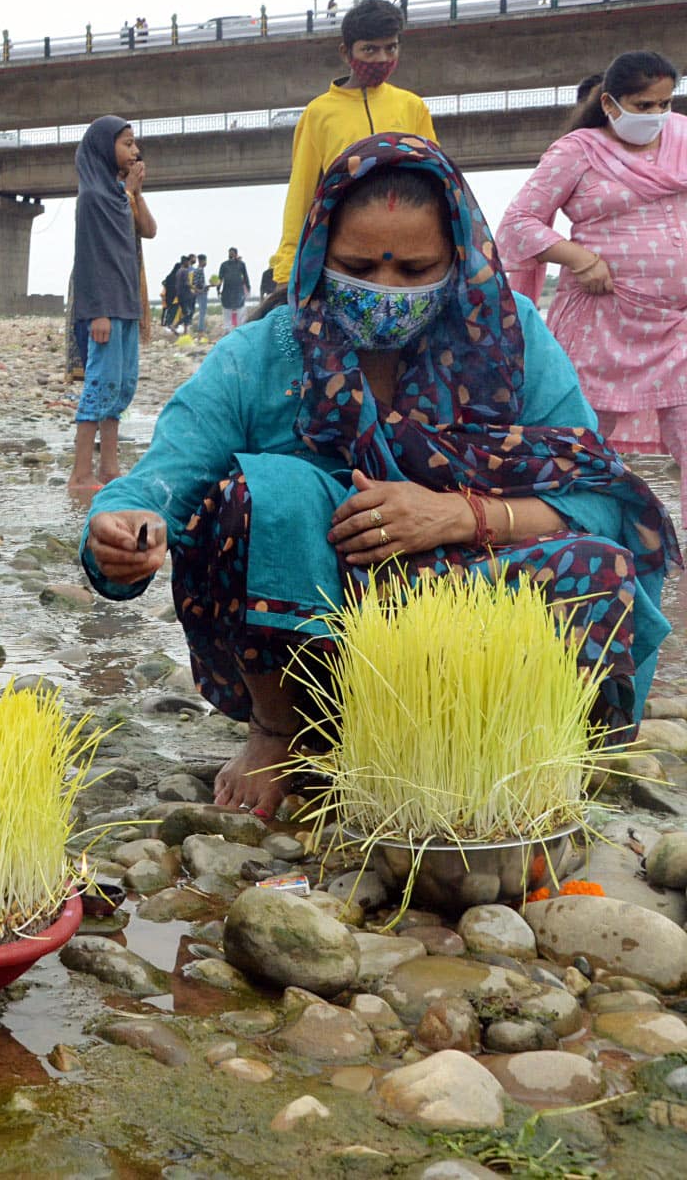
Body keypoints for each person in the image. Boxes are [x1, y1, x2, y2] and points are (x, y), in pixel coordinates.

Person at [83, 133, 678, 818]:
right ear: (317, 254)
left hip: (474, 607)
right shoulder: (266, 354)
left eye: (415, 268)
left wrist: (461, 515)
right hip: (326, 610)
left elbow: (601, 501)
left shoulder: (512, 344)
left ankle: (510, 751)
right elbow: (166, 478)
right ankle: (283, 730)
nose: (385, 291)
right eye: (358, 266)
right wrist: (127, 525)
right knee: (256, 495)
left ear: (461, 257)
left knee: (595, 564)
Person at [497, 51, 687, 528]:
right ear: (609, 103)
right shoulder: (577, 151)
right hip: (603, 324)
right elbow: (519, 224)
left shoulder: (683, 139)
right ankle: (566, 540)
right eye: (643, 106)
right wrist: (579, 258)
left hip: (677, 322)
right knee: (579, 443)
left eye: (664, 104)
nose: (657, 116)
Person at [266, 0, 437, 288]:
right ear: (347, 52)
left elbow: (437, 184)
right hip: (347, 254)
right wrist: (286, 269)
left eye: (391, 48)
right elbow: (302, 192)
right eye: (370, 49)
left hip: (408, 252)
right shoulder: (319, 113)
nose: (382, 58)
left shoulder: (412, 107)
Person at [70, 117, 157, 493]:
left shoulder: (120, 195)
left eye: (134, 143)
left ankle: (108, 467)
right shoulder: (92, 198)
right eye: (126, 144)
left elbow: (149, 230)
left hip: (127, 304)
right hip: (105, 307)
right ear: (105, 149)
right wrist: (97, 311)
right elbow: (89, 258)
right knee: (99, 385)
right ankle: (80, 474)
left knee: (121, 387)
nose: (134, 151)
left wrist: (134, 193)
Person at [217, 248, 251, 329]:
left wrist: (248, 289)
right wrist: (218, 290)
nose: (231, 255)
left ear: (236, 254)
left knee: (240, 311)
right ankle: (228, 331)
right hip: (227, 292)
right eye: (230, 253)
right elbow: (220, 279)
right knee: (227, 311)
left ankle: (240, 329)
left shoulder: (241, 264)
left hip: (238, 292)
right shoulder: (224, 265)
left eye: (232, 253)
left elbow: (246, 277)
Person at [159, 257, 184, 330]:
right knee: (173, 313)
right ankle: (169, 325)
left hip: (168, 297)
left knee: (167, 311)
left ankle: (165, 324)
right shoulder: (177, 277)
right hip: (174, 298)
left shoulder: (169, 276)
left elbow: (164, 283)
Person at [175, 253, 199, 330]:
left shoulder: (178, 271)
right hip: (185, 295)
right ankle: (176, 324)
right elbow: (186, 283)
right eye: (188, 262)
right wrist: (195, 289)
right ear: (185, 262)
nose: (189, 264)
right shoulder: (185, 271)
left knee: (186, 313)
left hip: (180, 295)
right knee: (189, 313)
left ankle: (185, 331)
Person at [188, 253, 209, 332]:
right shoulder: (199, 270)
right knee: (202, 313)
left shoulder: (199, 270)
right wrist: (203, 290)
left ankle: (201, 330)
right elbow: (195, 284)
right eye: (205, 261)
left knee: (202, 312)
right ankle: (201, 331)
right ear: (202, 261)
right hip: (201, 295)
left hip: (201, 293)